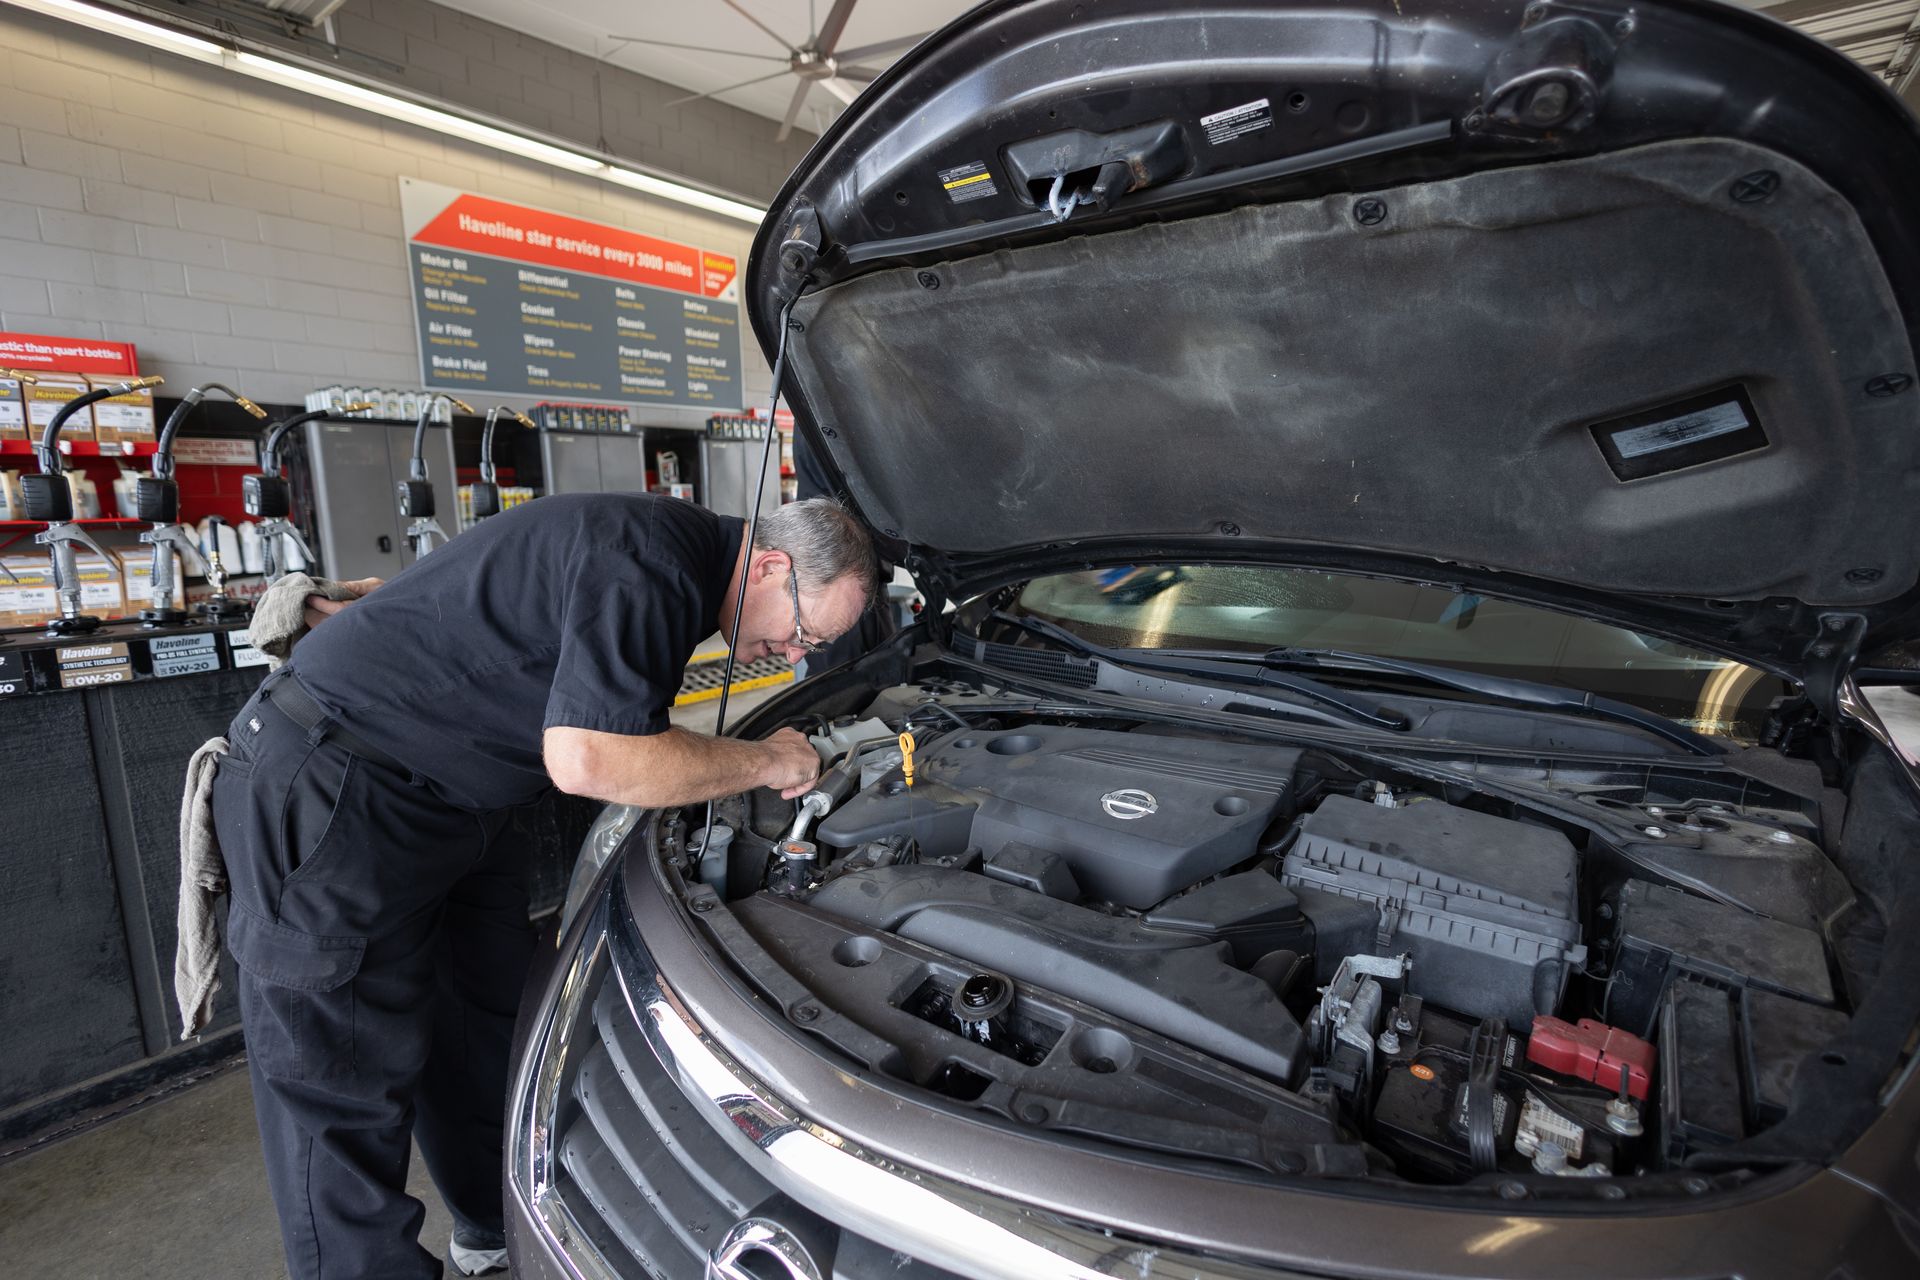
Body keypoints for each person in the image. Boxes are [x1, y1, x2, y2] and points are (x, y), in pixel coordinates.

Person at [210, 493, 877, 1279]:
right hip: (334, 794)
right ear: (770, 565)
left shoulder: (673, 564)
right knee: (338, 1082)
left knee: (478, 1026)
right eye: (804, 632)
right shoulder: (651, 561)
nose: (794, 655)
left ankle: (493, 1231)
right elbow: (591, 759)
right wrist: (765, 761)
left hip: (449, 802)